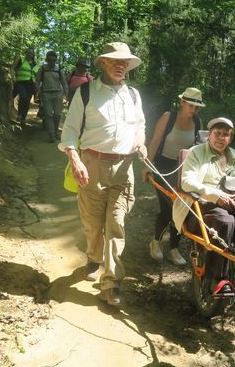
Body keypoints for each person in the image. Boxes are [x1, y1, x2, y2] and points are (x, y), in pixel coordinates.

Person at [58, 42, 146, 307]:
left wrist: (141, 142)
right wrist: (76, 160)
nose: (121, 66)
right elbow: (70, 131)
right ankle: (94, 258)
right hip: (92, 165)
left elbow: (140, 125)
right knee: (93, 223)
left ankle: (111, 283)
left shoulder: (133, 95)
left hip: (124, 169)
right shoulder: (85, 93)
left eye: (125, 63)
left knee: (116, 224)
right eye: (115, 61)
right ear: (104, 64)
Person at [173, 117, 235, 299]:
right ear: (210, 135)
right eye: (217, 133)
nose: (221, 138)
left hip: (232, 205)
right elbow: (187, 181)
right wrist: (216, 195)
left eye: (226, 135)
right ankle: (217, 280)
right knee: (225, 220)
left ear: (231, 138)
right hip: (200, 207)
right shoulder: (196, 153)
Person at [144, 87, 205, 266]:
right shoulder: (168, 117)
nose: (193, 110)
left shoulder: (198, 122)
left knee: (184, 206)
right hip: (162, 166)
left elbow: (199, 148)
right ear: (182, 102)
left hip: (184, 169)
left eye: (196, 106)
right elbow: (155, 141)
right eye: (190, 105)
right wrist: (148, 166)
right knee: (168, 207)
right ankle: (155, 242)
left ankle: (173, 248)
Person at [37, 50, 69, 143]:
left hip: (58, 94)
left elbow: (64, 82)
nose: (52, 62)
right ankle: (51, 134)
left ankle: (56, 132)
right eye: (50, 60)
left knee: (58, 114)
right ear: (47, 59)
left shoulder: (58, 69)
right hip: (46, 94)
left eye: (54, 60)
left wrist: (66, 93)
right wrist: (38, 91)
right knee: (48, 114)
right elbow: (37, 81)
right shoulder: (42, 68)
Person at [11, 47, 38, 124]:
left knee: (27, 101)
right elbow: (13, 68)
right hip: (20, 82)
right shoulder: (20, 59)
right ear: (26, 53)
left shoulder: (35, 64)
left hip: (31, 84)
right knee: (23, 96)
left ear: (33, 55)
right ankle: (19, 114)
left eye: (31, 53)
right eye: (28, 52)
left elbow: (36, 75)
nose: (30, 54)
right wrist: (13, 78)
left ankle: (23, 118)